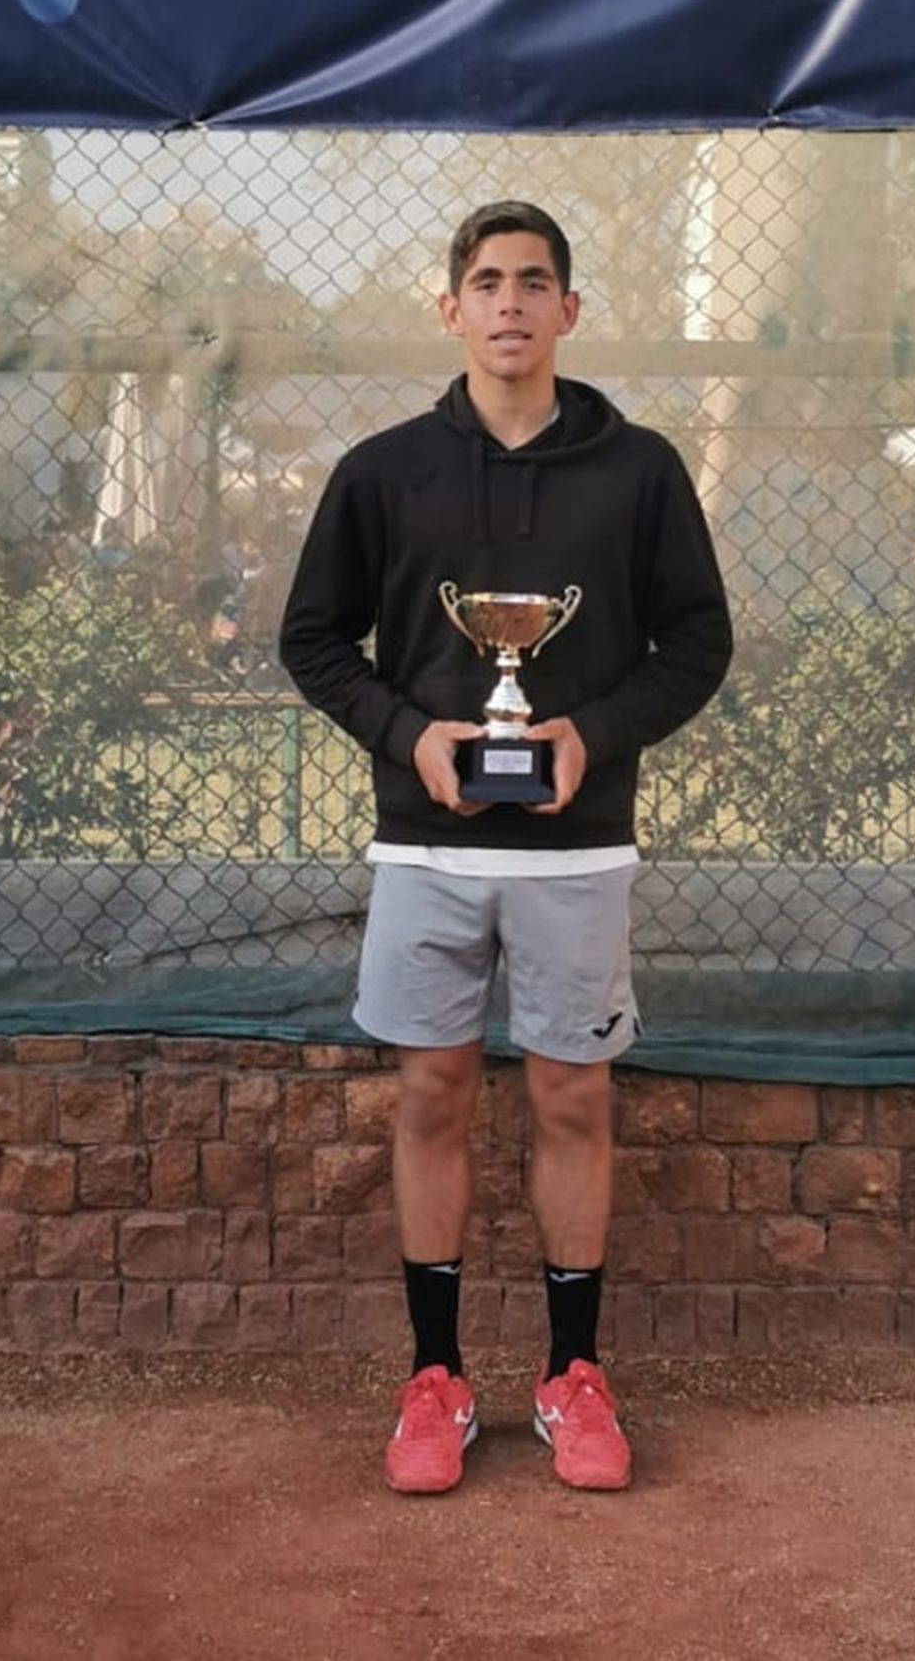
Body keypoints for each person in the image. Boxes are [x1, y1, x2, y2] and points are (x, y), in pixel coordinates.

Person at [280, 200, 731, 1494]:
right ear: (452, 310)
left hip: (579, 850)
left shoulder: (640, 470)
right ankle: (435, 1379)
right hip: (424, 848)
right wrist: (413, 738)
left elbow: (695, 644)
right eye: (488, 281)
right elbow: (315, 642)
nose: (512, 302)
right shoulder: (382, 470)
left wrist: (587, 735)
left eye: (536, 281)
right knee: (429, 1093)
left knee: (569, 1096)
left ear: (570, 310)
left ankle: (572, 1375)